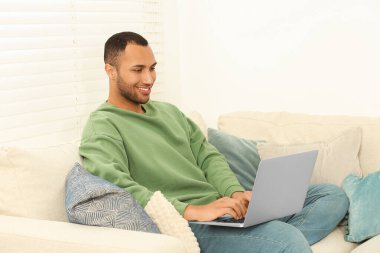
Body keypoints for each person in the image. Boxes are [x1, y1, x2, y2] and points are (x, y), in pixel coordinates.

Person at [79, 31, 349, 252]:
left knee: (331, 195)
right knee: (286, 240)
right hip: (192, 224)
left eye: (152, 68)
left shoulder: (170, 112)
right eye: (137, 70)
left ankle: (265, 241)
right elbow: (119, 189)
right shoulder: (103, 125)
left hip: (222, 208)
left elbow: (209, 157)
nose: (149, 79)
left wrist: (234, 193)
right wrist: (191, 210)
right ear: (110, 71)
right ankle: (277, 241)